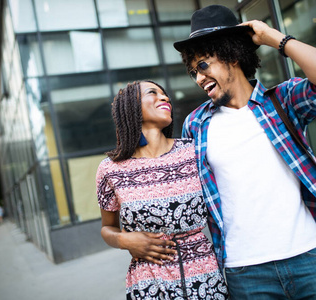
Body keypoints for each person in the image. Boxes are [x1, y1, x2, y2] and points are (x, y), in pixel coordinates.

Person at [174, 5, 316, 300]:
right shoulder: (196, 124)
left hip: (311, 256)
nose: (198, 78)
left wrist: (273, 37)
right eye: (193, 72)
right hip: (244, 272)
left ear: (232, 55)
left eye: (203, 65)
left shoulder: (281, 101)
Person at [96, 80, 228, 299]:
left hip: (205, 278)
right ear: (132, 106)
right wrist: (124, 240)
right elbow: (107, 228)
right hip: (150, 283)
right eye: (152, 93)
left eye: (165, 94)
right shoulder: (109, 169)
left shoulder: (193, 151)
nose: (165, 97)